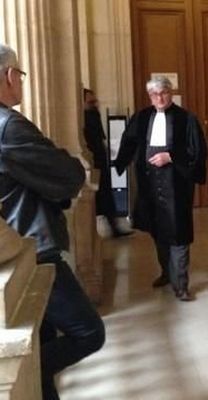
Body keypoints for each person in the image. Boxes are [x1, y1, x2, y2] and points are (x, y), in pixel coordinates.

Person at [0, 43, 105, 399]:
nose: (23, 84)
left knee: (43, 335)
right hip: (32, 248)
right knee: (88, 332)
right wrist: (69, 171)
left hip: (22, 243)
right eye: (22, 76)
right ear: (10, 76)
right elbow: (68, 173)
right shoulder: (9, 127)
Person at [114, 76, 207, 302]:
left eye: (163, 92)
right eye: (154, 94)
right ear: (150, 96)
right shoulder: (142, 117)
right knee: (157, 230)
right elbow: (129, 142)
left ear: (171, 92)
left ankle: (181, 285)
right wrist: (118, 164)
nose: (159, 98)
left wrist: (171, 156)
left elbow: (198, 152)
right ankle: (167, 273)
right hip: (149, 185)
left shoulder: (186, 119)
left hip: (176, 185)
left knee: (178, 233)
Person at [83, 88, 132, 237]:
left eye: (94, 101)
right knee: (100, 195)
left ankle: (114, 225)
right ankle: (108, 226)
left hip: (100, 158)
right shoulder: (84, 117)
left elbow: (101, 137)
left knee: (106, 193)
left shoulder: (94, 114)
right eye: (90, 101)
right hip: (93, 159)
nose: (94, 104)